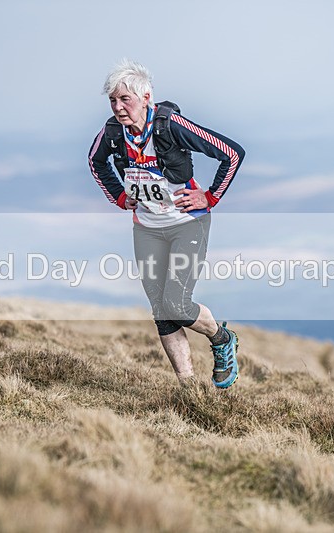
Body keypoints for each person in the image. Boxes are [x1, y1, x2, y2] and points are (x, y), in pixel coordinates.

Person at [88, 59, 245, 388]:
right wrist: (118, 196)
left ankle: (221, 339)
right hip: (146, 228)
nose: (118, 107)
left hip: (187, 223)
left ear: (146, 97)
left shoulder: (171, 125)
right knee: (161, 311)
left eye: (124, 99)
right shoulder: (113, 132)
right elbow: (95, 161)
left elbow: (232, 153)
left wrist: (210, 196)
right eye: (112, 101)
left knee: (176, 304)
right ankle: (190, 392)